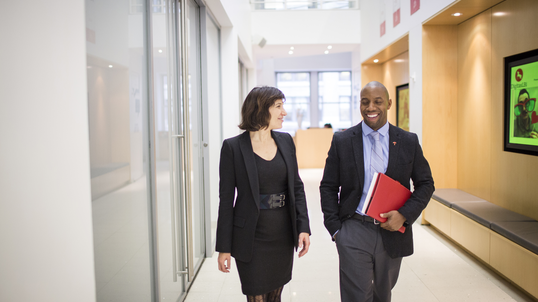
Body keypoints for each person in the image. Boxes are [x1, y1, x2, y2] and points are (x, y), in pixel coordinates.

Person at [320, 81, 434, 302]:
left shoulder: (408, 141)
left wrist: (404, 215)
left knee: (383, 294)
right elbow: (328, 186)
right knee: (357, 296)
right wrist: (336, 230)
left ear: (389, 104)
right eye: (365, 102)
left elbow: (426, 184)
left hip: (391, 231)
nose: (370, 107)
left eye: (377, 102)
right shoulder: (342, 140)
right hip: (353, 228)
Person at [216, 86, 311, 302]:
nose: (284, 112)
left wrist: (303, 227)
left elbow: (296, 186)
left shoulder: (285, 141)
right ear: (260, 109)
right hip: (251, 237)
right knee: (256, 297)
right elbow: (225, 200)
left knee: (275, 295)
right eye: (278, 106)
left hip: (282, 234)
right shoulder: (233, 148)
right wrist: (224, 248)